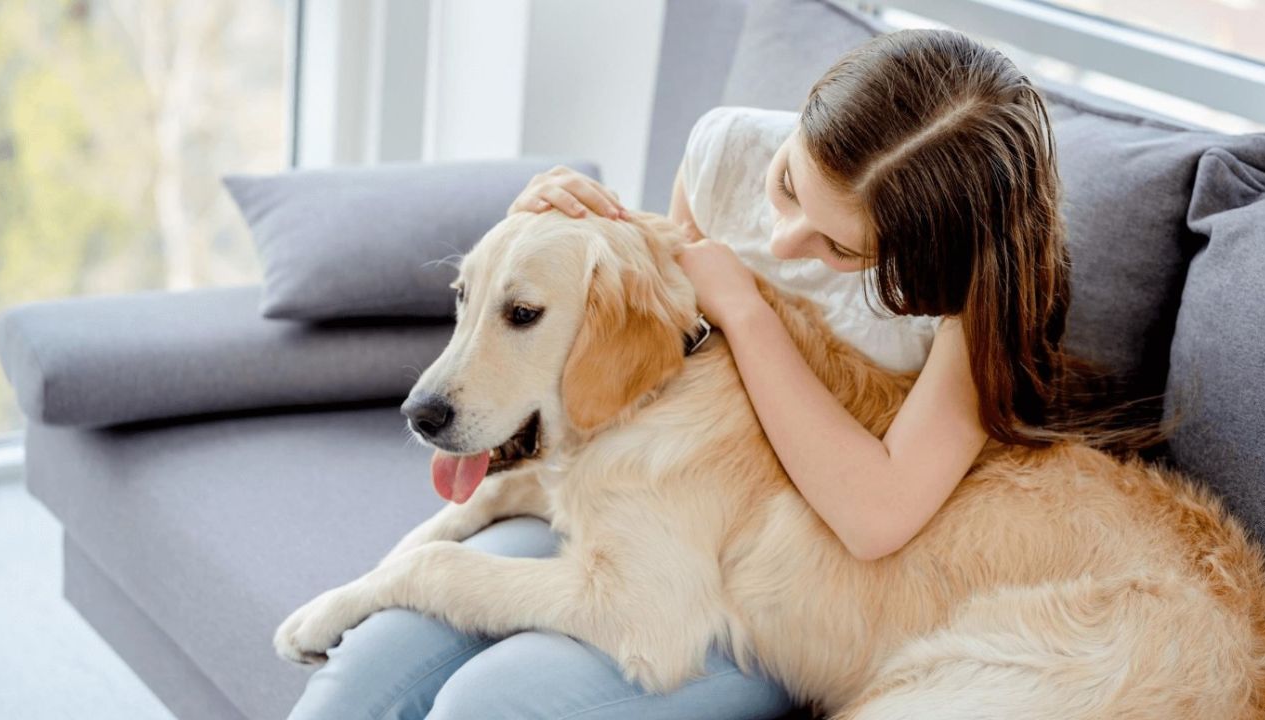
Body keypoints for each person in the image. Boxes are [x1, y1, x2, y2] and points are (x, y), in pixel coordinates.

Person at [288, 28, 1099, 719]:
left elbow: (875, 516)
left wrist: (744, 312)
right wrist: (540, 229)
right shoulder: (728, 149)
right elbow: (648, 369)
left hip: (750, 590)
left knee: (491, 702)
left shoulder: (973, 304)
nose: (783, 242)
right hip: (635, 500)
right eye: (788, 185)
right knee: (368, 667)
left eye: (840, 250)